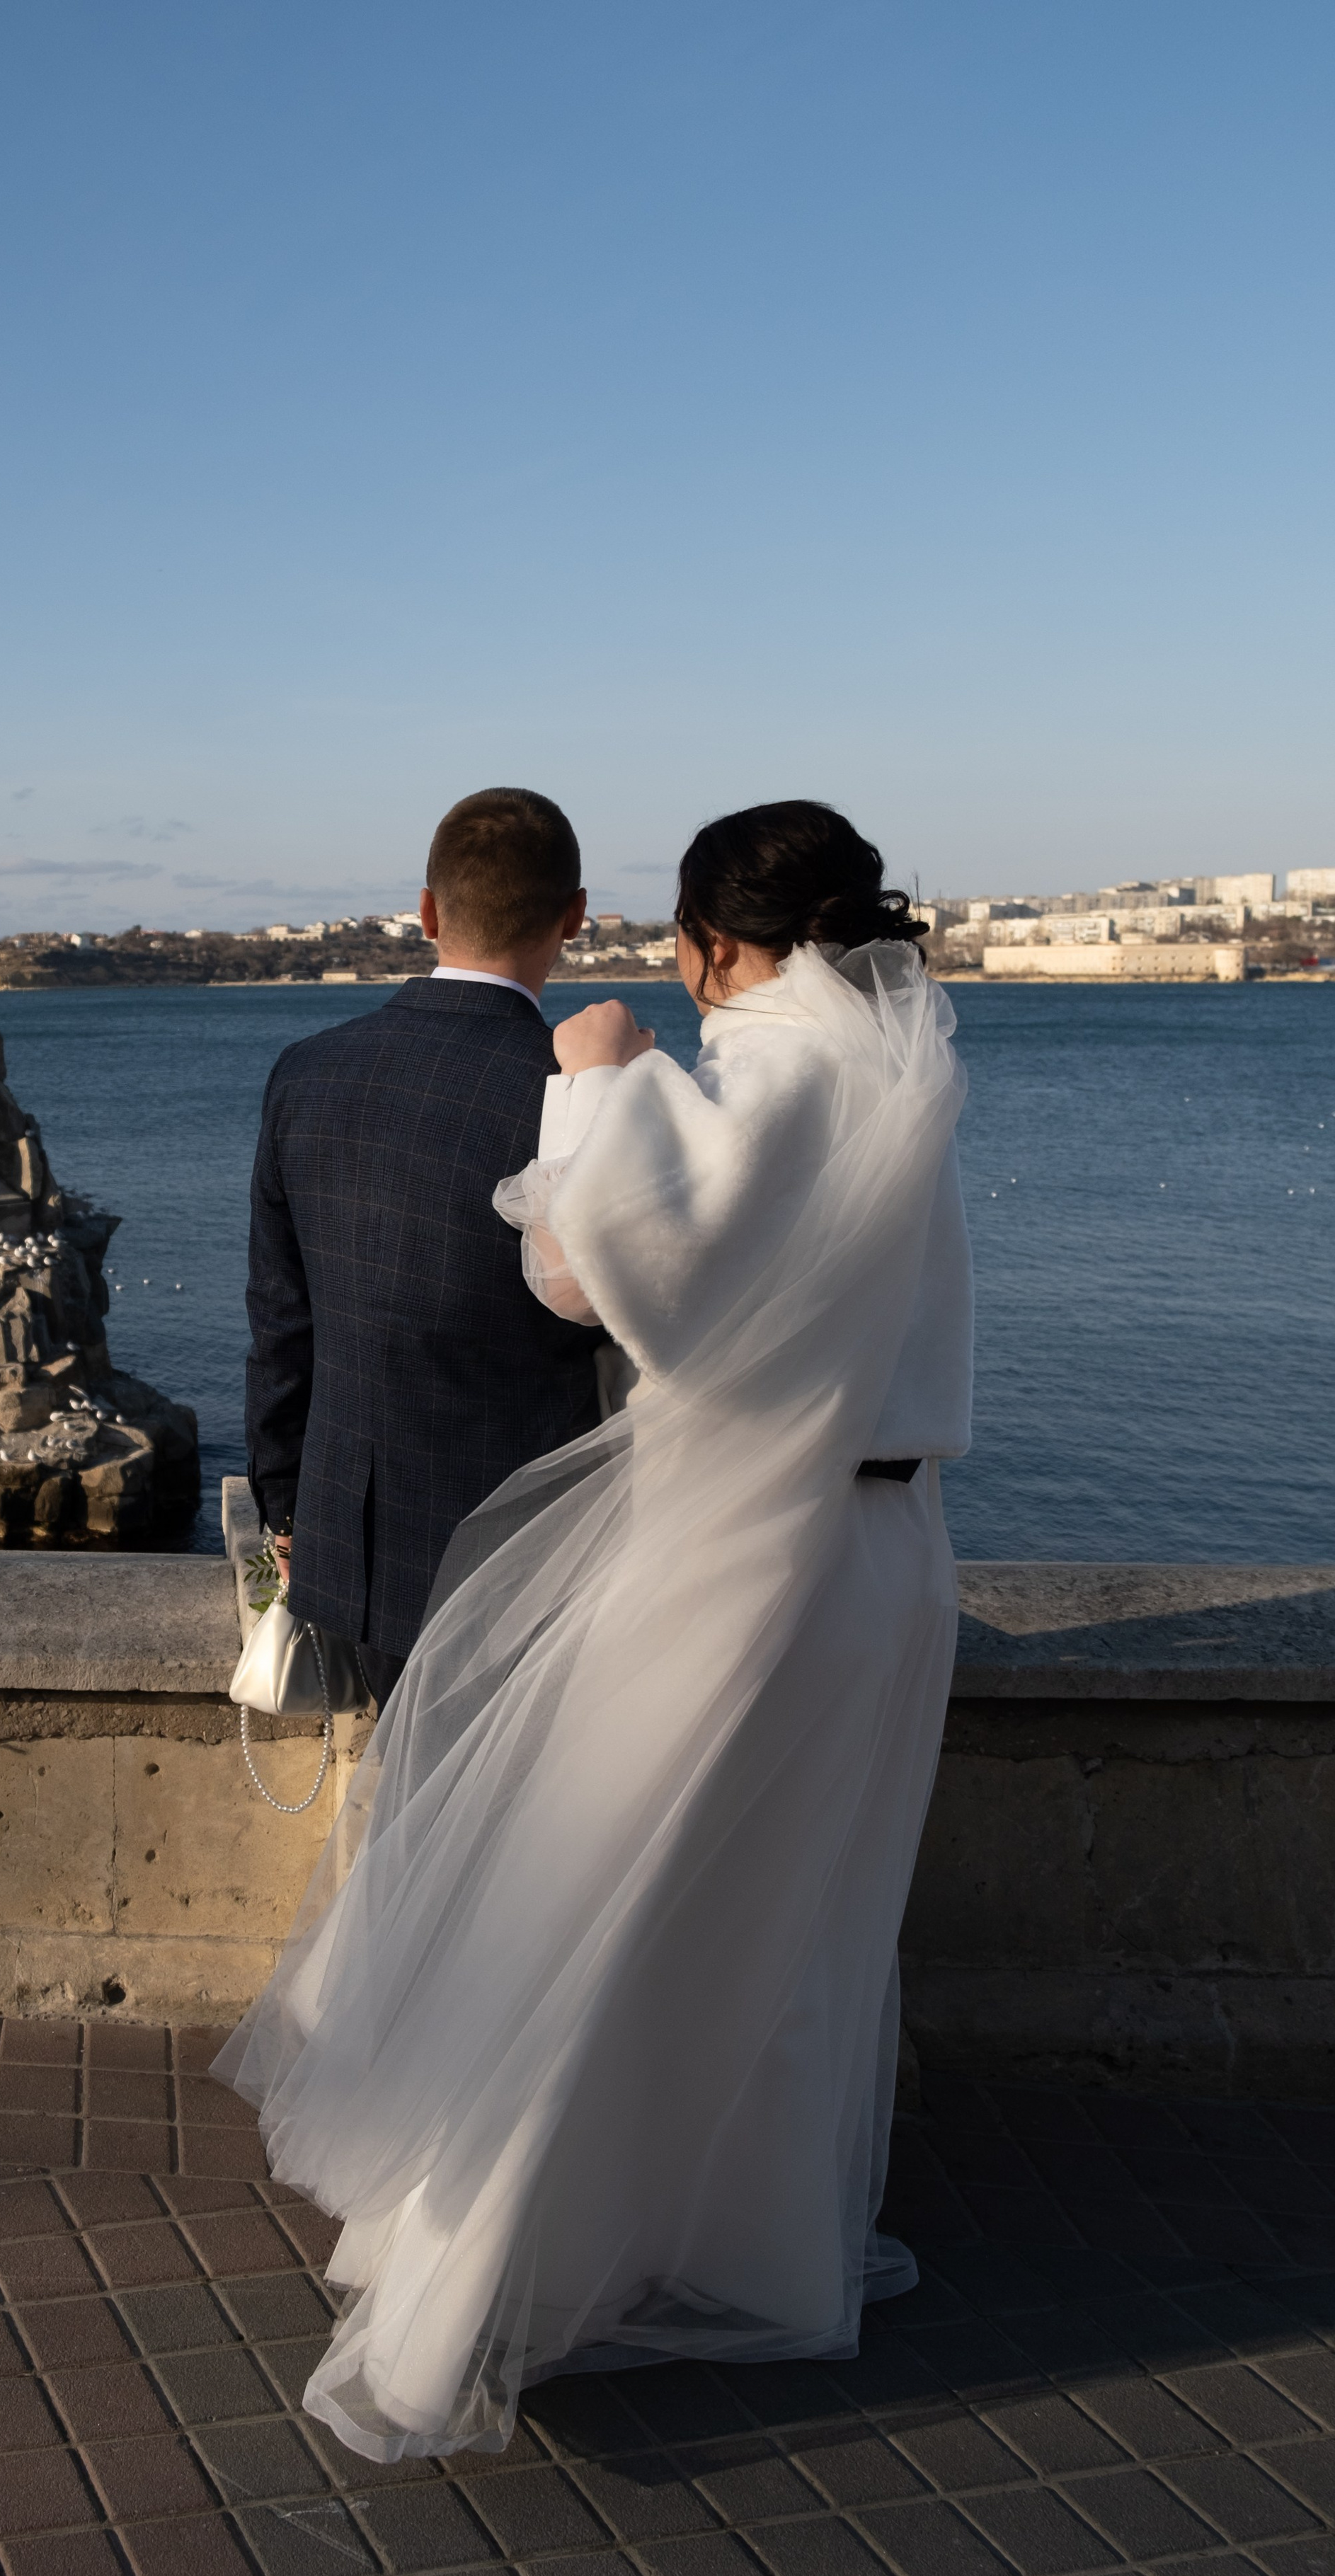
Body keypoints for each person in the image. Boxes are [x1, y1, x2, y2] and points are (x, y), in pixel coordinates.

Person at [217, 800, 974, 2462]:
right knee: (793, 1923)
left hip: (745, 1552)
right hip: (892, 1549)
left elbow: (594, 1272)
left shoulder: (767, 1074)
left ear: (713, 943)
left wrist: (597, 1078)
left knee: (599, 1905)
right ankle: (746, 2240)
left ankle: (490, 2278)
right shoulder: (906, 1076)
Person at [243, 786, 606, 1706]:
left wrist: (288, 1519)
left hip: (351, 1558)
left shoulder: (307, 1073)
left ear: (428, 913)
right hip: (525, 1565)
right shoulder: (577, 1099)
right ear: (574, 918)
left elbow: (283, 1329)